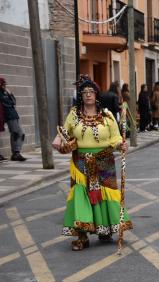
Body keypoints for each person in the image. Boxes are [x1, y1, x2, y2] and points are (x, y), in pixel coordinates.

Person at [52, 75, 131, 251]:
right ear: (81, 95)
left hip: (104, 160)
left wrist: (121, 144)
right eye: (84, 92)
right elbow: (64, 131)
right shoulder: (74, 115)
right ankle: (82, 235)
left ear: (96, 95)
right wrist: (57, 140)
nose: (88, 95)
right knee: (81, 195)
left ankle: (105, 229)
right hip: (80, 162)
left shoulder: (107, 115)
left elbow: (116, 137)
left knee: (106, 194)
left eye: (91, 92)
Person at [0, 77, 27, 161]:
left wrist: (10, 94)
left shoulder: (6, 92)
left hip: (14, 114)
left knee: (21, 133)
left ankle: (17, 152)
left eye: (5, 84)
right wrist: (9, 100)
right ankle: (15, 153)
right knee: (15, 133)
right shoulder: (1, 93)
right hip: (8, 115)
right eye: (3, 84)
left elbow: (14, 102)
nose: (5, 86)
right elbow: (7, 103)